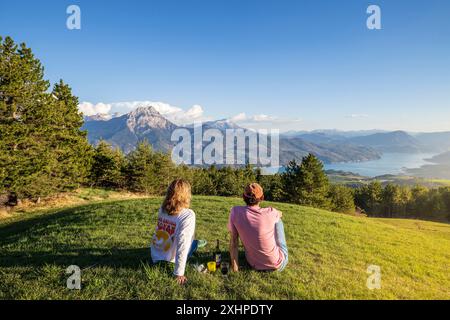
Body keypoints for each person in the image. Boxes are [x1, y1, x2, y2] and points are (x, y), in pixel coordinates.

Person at [150, 179, 206, 285]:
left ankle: (196, 242)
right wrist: (179, 273)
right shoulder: (187, 215)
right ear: (186, 194)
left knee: (187, 239)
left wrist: (155, 256)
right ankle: (196, 243)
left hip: (156, 253)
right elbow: (183, 244)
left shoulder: (162, 209)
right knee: (192, 243)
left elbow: (159, 231)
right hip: (170, 257)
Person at [228, 183, 288, 272]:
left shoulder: (235, 212)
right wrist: (277, 213)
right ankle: (275, 250)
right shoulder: (271, 212)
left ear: (243, 197)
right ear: (262, 198)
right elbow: (280, 214)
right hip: (277, 265)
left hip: (253, 264)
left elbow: (234, 242)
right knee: (278, 221)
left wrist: (235, 270)